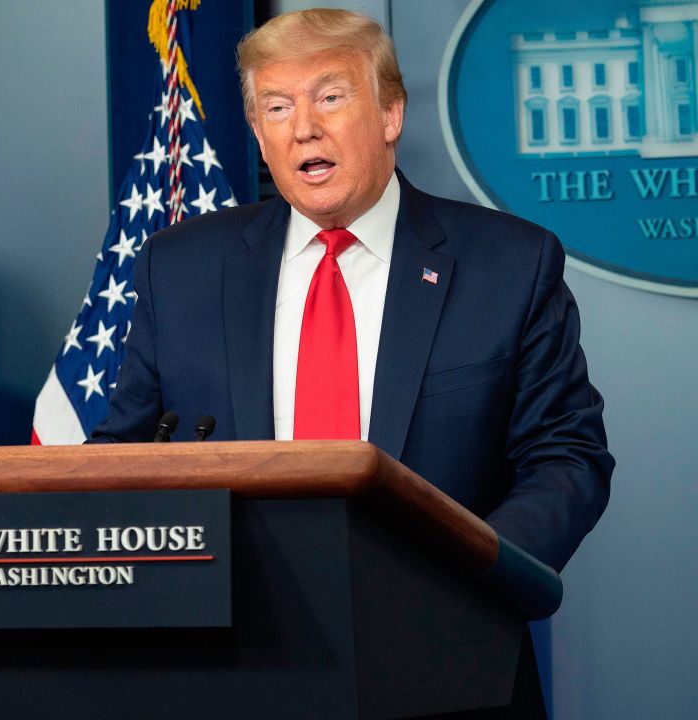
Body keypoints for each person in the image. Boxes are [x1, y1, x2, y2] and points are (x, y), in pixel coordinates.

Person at [93, 9, 612, 713]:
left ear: (391, 113)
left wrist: (474, 576)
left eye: (330, 97)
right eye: (277, 106)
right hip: (230, 668)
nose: (303, 126)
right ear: (257, 132)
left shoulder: (508, 264)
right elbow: (119, 456)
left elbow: (567, 456)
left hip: (447, 664)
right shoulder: (179, 268)